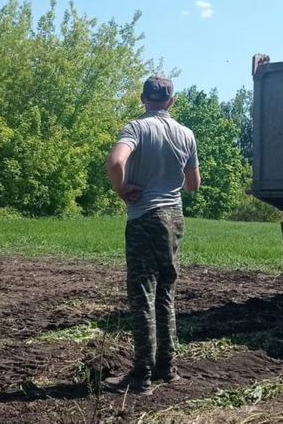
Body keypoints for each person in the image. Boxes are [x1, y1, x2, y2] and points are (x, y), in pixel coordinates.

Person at [104, 75, 201, 396]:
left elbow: (117, 161)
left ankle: (141, 375)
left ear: (143, 98)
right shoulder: (187, 134)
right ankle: (167, 367)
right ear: (171, 102)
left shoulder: (136, 128)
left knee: (142, 294)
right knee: (165, 292)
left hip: (145, 217)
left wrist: (121, 189)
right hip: (174, 219)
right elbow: (193, 185)